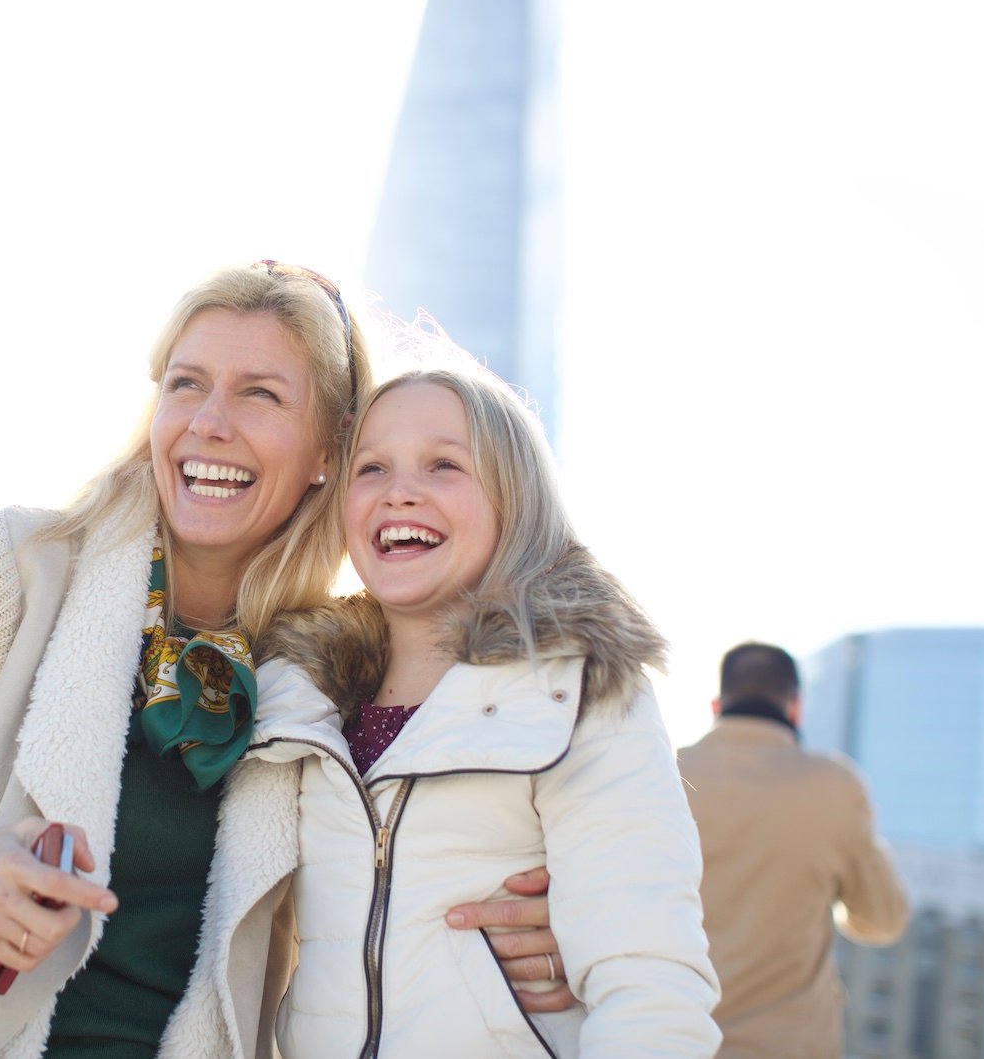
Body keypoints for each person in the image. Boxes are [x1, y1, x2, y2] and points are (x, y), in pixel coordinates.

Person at [0, 262, 572, 1059]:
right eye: (187, 384)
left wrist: (550, 925)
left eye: (260, 394)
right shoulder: (19, 568)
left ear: (330, 452)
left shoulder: (344, 671)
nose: (210, 424)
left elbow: (436, 862)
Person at [249, 360, 721, 1057]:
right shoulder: (296, 703)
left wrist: (574, 926)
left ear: (514, 498)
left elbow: (650, 982)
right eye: (372, 468)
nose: (400, 492)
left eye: (444, 465)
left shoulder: (575, 691)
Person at [677, 642, 909, 1058]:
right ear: (795, 707)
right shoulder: (833, 786)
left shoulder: (662, 772)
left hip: (661, 1039)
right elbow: (882, 920)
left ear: (716, 704)